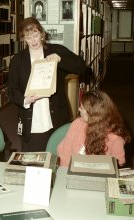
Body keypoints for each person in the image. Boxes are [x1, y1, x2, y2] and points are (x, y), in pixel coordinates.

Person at [8, 17, 87, 152]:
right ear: (23, 39)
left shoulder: (55, 50)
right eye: (28, 37)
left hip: (56, 115)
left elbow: (81, 67)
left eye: (35, 35)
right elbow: (12, 91)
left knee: (58, 156)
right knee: (32, 159)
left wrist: (60, 60)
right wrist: (25, 100)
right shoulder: (17, 60)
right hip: (32, 118)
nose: (33, 41)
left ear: (41, 34)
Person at [57, 90, 131, 167]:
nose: (79, 109)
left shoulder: (115, 139)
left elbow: (118, 164)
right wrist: (66, 171)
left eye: (82, 108)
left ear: (92, 114)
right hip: (71, 170)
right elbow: (64, 151)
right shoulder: (77, 123)